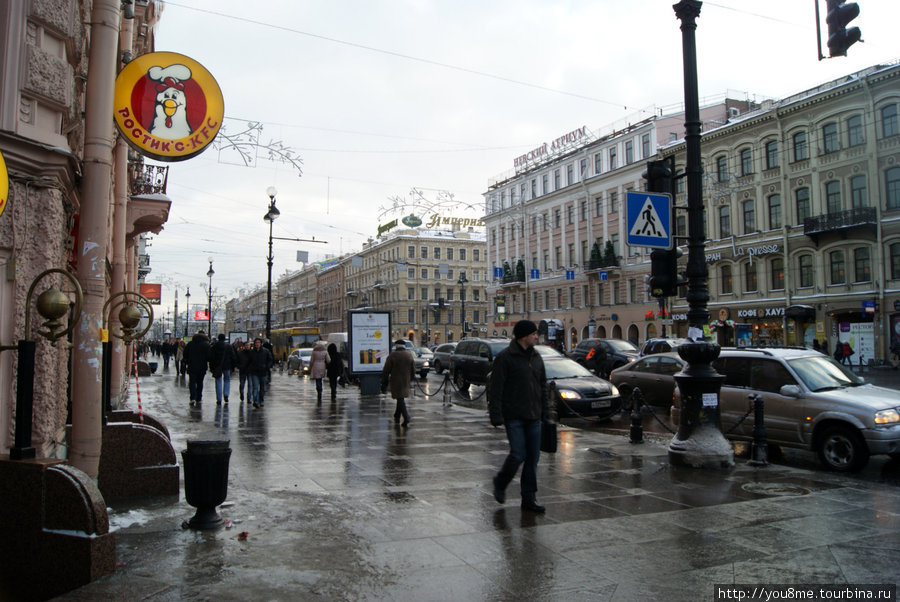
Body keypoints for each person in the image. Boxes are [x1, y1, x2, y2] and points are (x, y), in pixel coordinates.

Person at [488, 319, 549, 514]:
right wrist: (495, 414)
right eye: (533, 334)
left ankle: (529, 498)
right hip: (514, 415)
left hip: (534, 416)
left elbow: (543, 387)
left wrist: (545, 413)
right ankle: (501, 481)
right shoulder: (506, 358)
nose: (536, 336)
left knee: (532, 459)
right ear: (523, 336)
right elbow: (496, 388)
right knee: (517, 454)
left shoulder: (536, 357)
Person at [381, 339, 415, 427]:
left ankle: (406, 417)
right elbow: (413, 369)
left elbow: (386, 370)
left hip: (396, 380)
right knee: (401, 397)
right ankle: (397, 415)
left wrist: (384, 381)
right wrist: (411, 379)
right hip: (406, 380)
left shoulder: (393, 355)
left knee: (400, 398)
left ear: (396, 346)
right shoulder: (409, 355)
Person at [184, 330, 210, 405]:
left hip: (192, 366)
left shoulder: (190, 344)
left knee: (192, 382)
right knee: (200, 382)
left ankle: (192, 397)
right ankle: (199, 397)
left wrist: (188, 361)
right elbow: (209, 357)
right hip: (202, 367)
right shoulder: (206, 344)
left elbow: (185, 354)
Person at [209, 333, 237, 405]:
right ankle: (226, 394)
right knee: (227, 380)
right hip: (227, 366)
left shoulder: (214, 346)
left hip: (217, 366)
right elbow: (233, 357)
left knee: (218, 381)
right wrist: (233, 366)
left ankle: (219, 399)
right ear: (224, 339)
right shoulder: (229, 346)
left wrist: (211, 367)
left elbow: (211, 358)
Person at [247, 337, 273, 409]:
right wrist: (250, 368)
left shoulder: (265, 351)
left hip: (263, 372)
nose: (257, 344)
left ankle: (261, 400)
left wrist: (267, 367)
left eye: (258, 343)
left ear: (261, 344)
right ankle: (255, 401)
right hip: (254, 372)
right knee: (255, 387)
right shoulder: (251, 352)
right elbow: (248, 361)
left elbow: (270, 360)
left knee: (263, 388)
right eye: (256, 343)